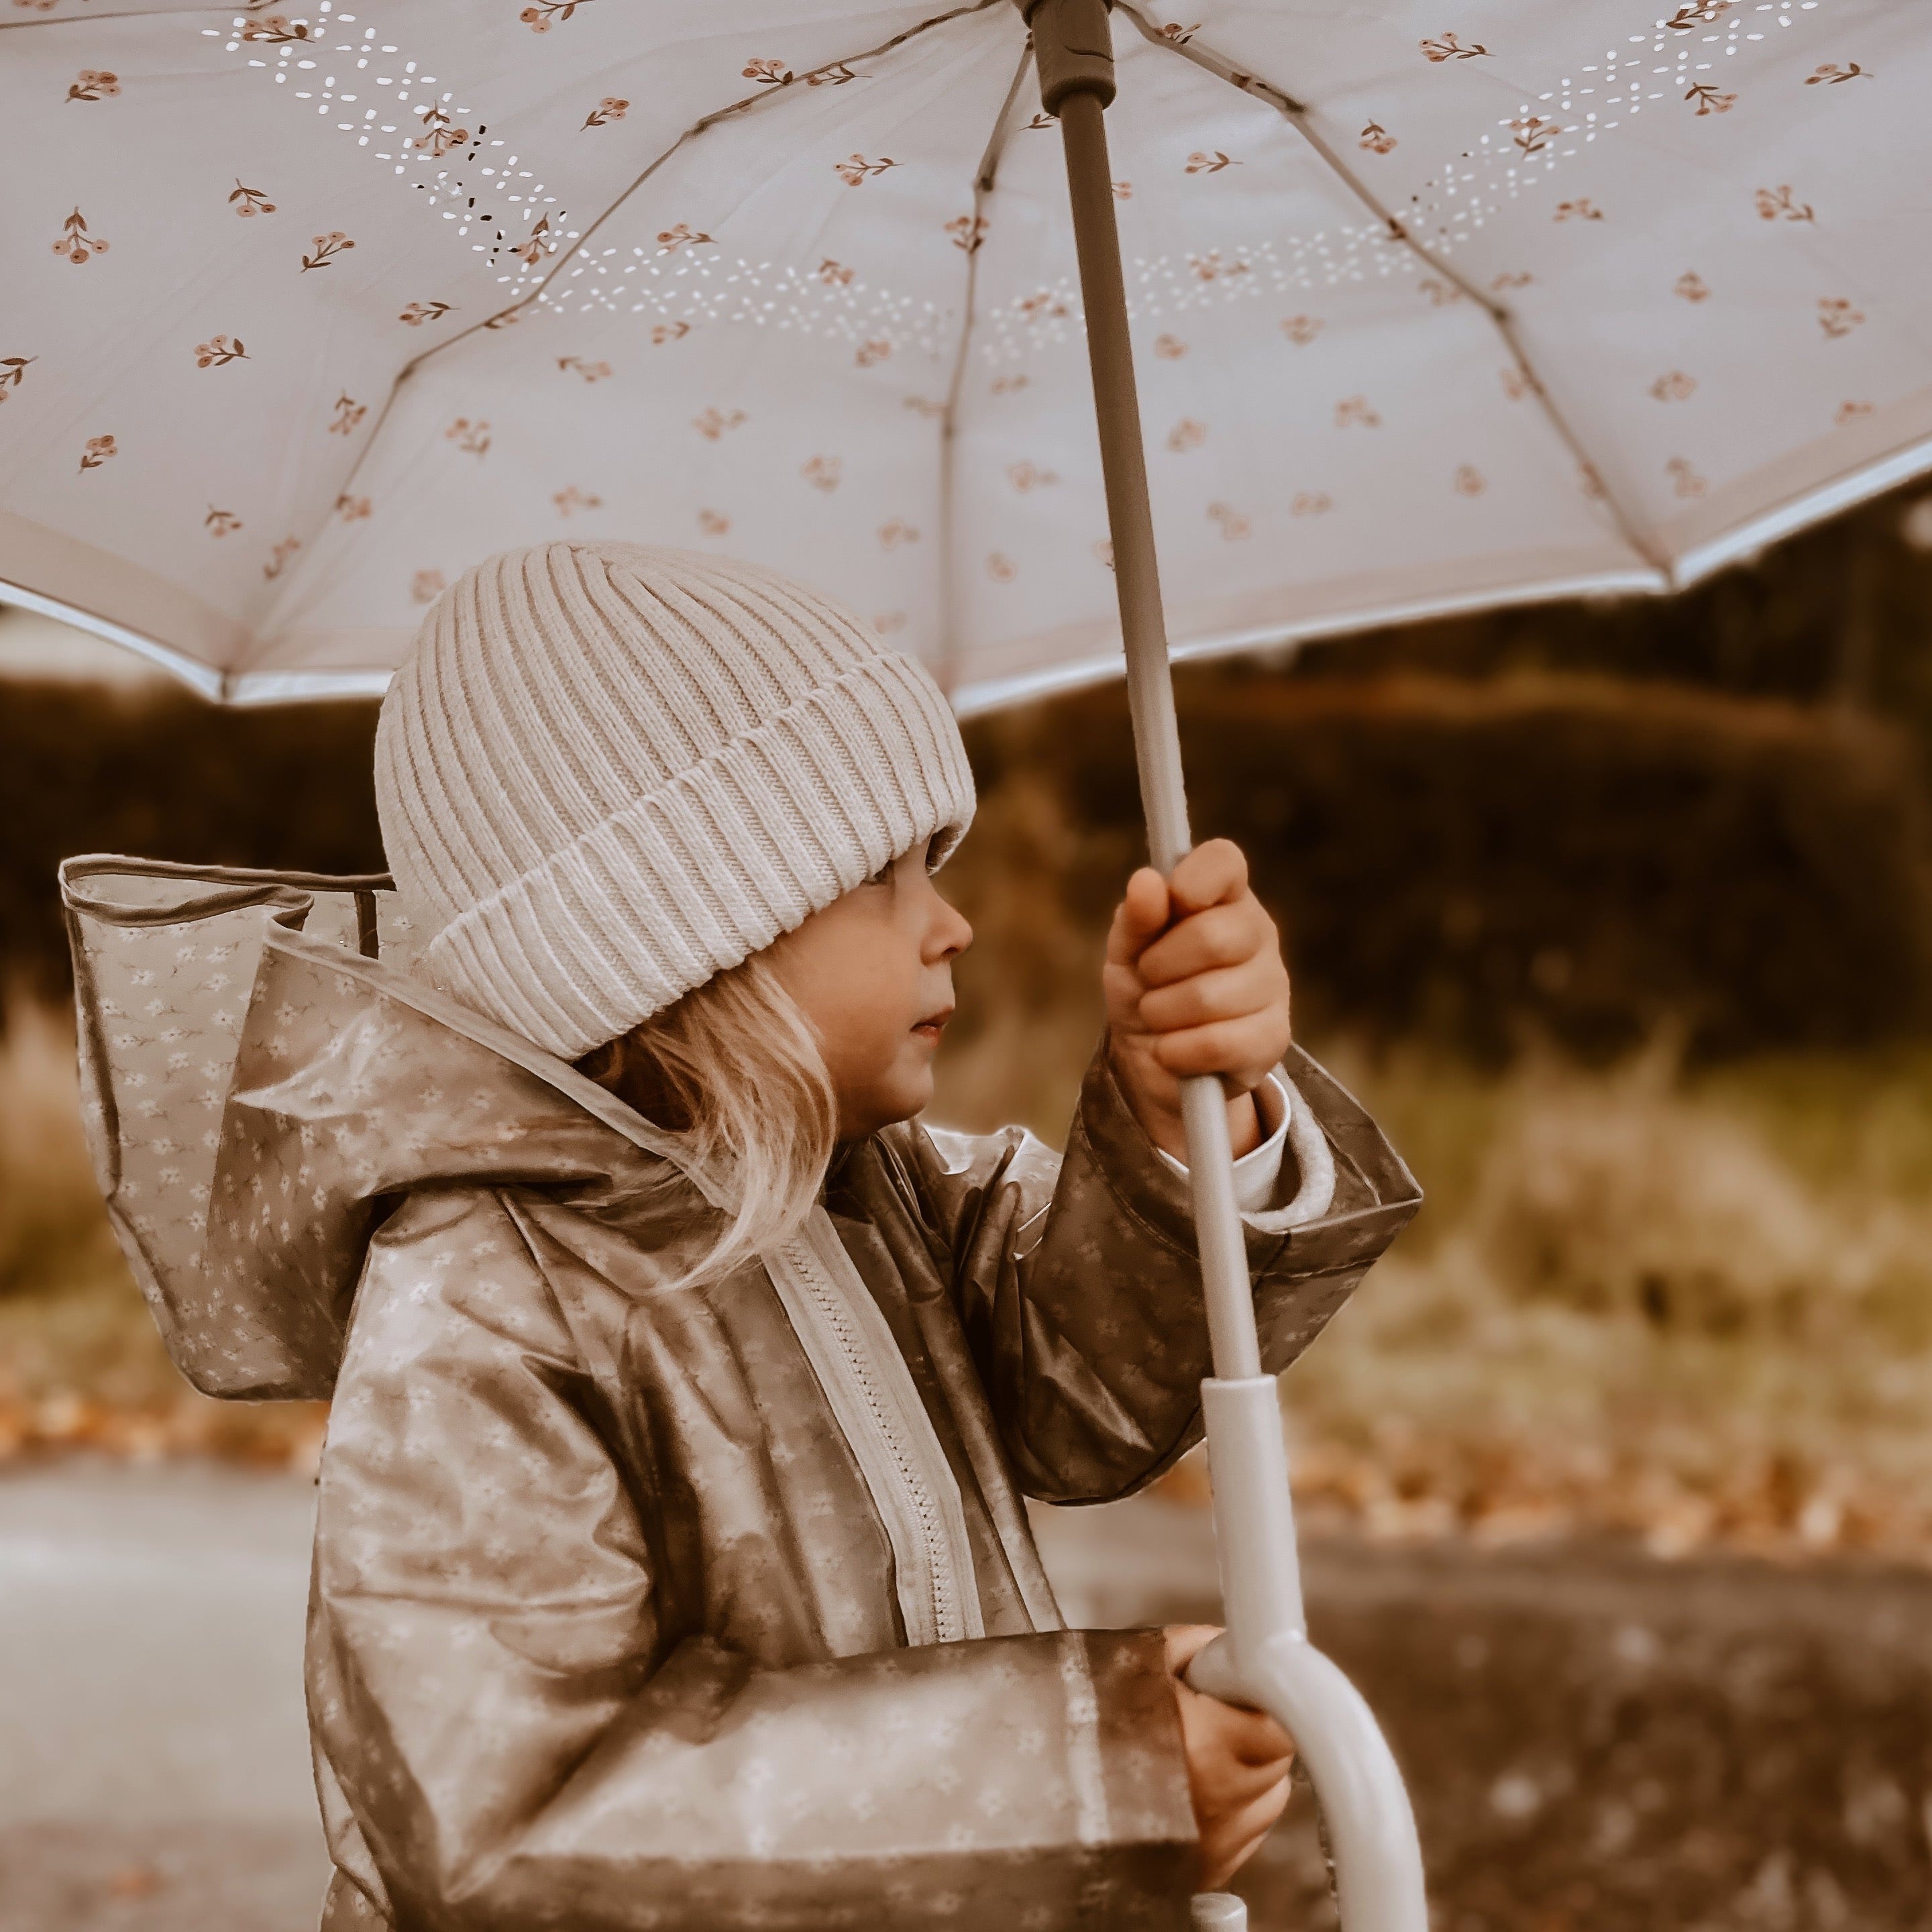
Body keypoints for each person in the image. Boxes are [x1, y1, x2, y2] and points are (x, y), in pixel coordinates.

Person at [278, 541, 1419, 1929]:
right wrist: (1083, 1776)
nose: (953, 923)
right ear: (686, 931)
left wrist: (1191, 1114)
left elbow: (1082, 1381)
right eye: (887, 874)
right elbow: (510, 1833)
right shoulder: (477, 1310)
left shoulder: (868, 1190)